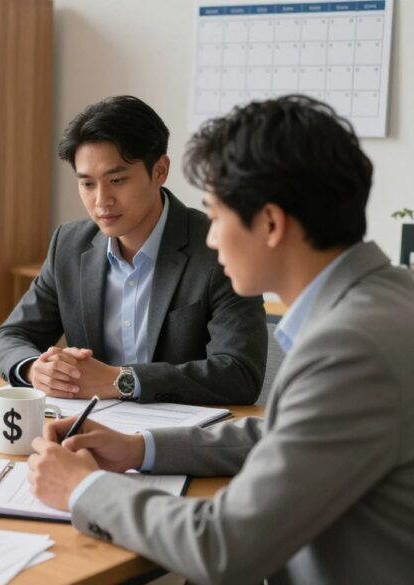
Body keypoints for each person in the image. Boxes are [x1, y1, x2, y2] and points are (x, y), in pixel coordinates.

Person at [27, 95, 414, 584]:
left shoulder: (351, 348)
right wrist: (140, 448)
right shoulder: (389, 299)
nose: (210, 238)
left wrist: (84, 489)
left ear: (270, 223)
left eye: (216, 213)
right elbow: (281, 435)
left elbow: (223, 547)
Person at [0, 96, 266, 405]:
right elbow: (10, 337)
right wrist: (34, 369)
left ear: (160, 170)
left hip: (179, 438)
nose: (101, 201)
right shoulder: (69, 244)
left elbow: (240, 374)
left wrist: (121, 380)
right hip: (88, 430)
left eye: (117, 180)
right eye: (87, 184)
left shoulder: (217, 248)